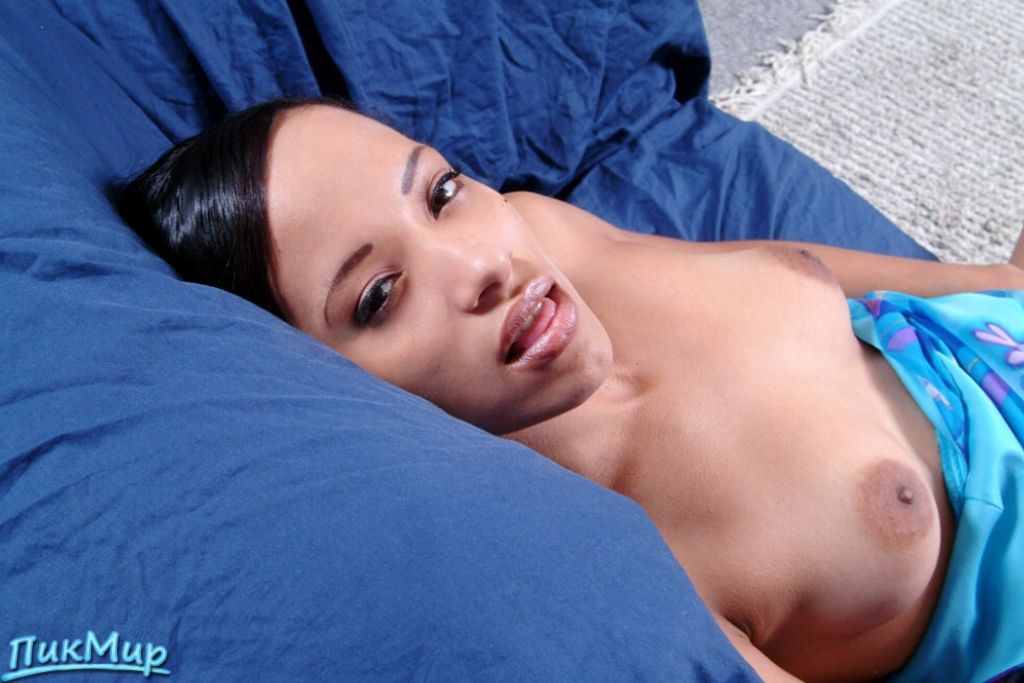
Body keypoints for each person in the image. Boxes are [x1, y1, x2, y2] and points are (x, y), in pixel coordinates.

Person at [119, 96, 1024, 682]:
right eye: (380, 296)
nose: (483, 262)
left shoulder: (541, 228)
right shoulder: (605, 564)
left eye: (439, 193)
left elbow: (793, 267)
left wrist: (995, 280)